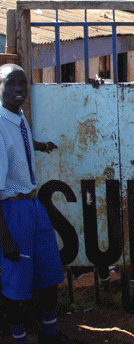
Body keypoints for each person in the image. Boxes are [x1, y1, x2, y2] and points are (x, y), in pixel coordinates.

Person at [0, 64, 84, 344]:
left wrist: (38, 146)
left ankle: (50, 333)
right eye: (10, 84)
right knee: (15, 284)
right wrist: (5, 238)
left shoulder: (18, 116)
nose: (18, 90)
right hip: (11, 210)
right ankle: (20, 339)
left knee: (49, 273)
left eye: (22, 84)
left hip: (33, 205)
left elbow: (19, 145)